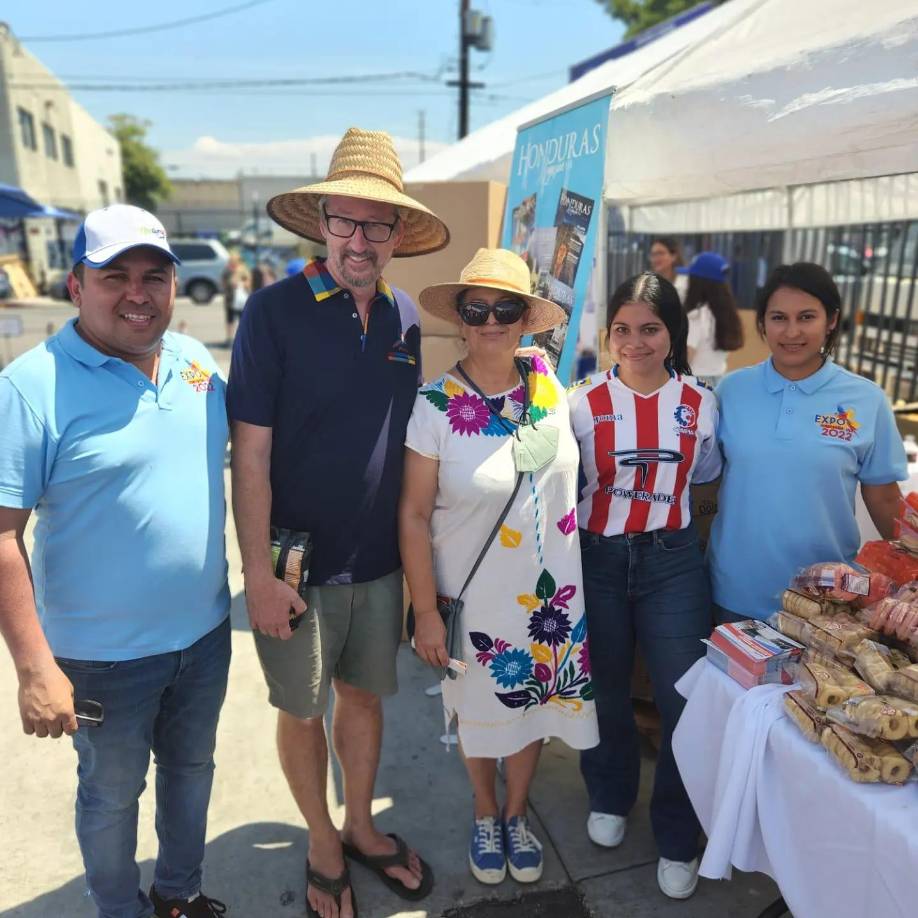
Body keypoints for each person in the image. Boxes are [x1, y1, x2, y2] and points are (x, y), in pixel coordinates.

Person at [228, 127, 449, 918]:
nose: (360, 240)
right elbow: (249, 455)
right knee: (301, 708)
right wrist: (255, 572)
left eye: (377, 225)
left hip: (379, 560)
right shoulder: (272, 310)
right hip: (293, 564)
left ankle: (361, 825)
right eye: (346, 223)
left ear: (397, 235)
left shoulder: (403, 319)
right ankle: (321, 836)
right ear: (321, 222)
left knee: (364, 699)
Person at [0, 204, 231, 918]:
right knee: (110, 794)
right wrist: (35, 668)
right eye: (115, 276)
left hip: (205, 635)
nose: (139, 292)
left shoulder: (194, 361)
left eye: (154, 276)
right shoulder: (30, 386)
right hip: (101, 658)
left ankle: (178, 892)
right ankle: (119, 910)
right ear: (76, 286)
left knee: (192, 772)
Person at [400, 248, 599, 887]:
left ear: (525, 319)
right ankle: (486, 812)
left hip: (550, 600)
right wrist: (425, 611)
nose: (491, 320)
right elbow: (411, 514)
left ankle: (517, 815)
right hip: (474, 598)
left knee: (534, 708)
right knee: (479, 713)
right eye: (477, 308)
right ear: (460, 318)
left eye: (505, 307)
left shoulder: (548, 380)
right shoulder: (434, 403)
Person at [568, 272, 721, 900]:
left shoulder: (701, 403)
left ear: (672, 334)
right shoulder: (578, 402)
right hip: (597, 560)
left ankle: (679, 834)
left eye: (650, 328)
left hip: (673, 563)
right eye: (623, 330)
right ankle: (608, 794)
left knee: (684, 700)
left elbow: (703, 473)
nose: (636, 341)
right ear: (608, 337)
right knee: (604, 691)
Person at [708, 262, 906, 623]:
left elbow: (884, 497)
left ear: (831, 320)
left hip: (826, 602)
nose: (792, 331)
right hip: (735, 595)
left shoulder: (866, 399)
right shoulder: (731, 391)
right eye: (779, 317)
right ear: (763, 323)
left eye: (807, 317)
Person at [678, 251, 744, 387]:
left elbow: (686, 357)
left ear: (697, 282)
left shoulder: (695, 316)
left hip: (694, 384)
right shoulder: (724, 314)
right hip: (719, 381)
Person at [221, 251, 248, 345]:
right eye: (231, 261)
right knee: (229, 320)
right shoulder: (226, 270)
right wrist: (228, 284)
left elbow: (248, 282)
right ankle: (229, 339)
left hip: (241, 300)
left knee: (242, 320)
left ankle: (243, 338)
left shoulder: (243, 269)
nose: (232, 263)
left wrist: (241, 284)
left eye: (234, 261)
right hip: (230, 298)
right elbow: (222, 283)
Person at [648, 236, 688, 302]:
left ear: (673, 256)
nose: (656, 258)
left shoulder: (685, 283)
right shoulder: (648, 285)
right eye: (653, 254)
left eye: (660, 253)